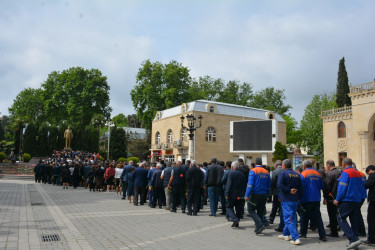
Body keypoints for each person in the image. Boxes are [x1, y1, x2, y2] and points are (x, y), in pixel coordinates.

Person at [333, 158, 364, 249]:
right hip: (357, 200)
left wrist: (337, 199)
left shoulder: (346, 173)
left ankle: (353, 239)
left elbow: (342, 187)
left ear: (344, 164)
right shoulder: (358, 173)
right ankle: (354, 241)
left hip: (348, 200)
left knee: (340, 218)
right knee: (354, 220)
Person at [299, 160, 327, 241]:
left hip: (306, 199)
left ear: (304, 166)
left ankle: (303, 234)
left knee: (304, 217)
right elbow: (321, 186)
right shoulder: (318, 174)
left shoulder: (303, 174)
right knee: (318, 217)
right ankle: (322, 235)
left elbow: (301, 187)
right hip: (316, 198)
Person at [277, 159, 303, 245]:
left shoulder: (283, 173)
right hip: (295, 199)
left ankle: (296, 238)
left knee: (289, 218)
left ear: (284, 166)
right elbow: (300, 187)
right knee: (291, 217)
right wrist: (298, 196)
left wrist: (289, 190)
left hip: (286, 198)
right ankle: (285, 234)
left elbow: (280, 185)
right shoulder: (296, 174)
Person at [245, 157, 271, 235]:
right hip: (263, 194)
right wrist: (267, 195)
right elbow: (269, 185)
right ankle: (258, 228)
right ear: (261, 163)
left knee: (251, 210)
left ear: (255, 163)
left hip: (255, 194)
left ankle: (260, 224)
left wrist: (247, 194)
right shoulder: (266, 172)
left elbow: (250, 184)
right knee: (260, 211)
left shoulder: (253, 171)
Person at [323, 160, 341, 237]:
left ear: (328, 165)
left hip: (332, 197)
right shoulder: (340, 172)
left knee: (332, 215)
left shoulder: (330, 174)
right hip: (340, 197)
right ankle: (340, 227)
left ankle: (334, 232)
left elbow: (327, 187)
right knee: (339, 214)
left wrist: (325, 197)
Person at [225, 161, 246, 228]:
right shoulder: (242, 174)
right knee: (238, 208)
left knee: (229, 207)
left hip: (232, 194)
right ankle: (236, 222)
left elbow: (229, 184)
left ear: (232, 167)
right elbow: (244, 185)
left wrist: (226, 193)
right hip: (240, 194)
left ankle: (235, 219)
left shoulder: (231, 173)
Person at [364, 165, 375, 246]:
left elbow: (367, 185)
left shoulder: (373, 175)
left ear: (370, 170)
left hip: (373, 200)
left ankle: (371, 239)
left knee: (371, 220)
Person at [269, 160, 282, 224]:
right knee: (282, 207)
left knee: (274, 207)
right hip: (284, 193)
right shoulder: (285, 170)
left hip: (276, 192)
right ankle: (282, 221)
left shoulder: (275, 172)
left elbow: (272, 182)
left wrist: (271, 191)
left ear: (276, 165)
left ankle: (271, 219)